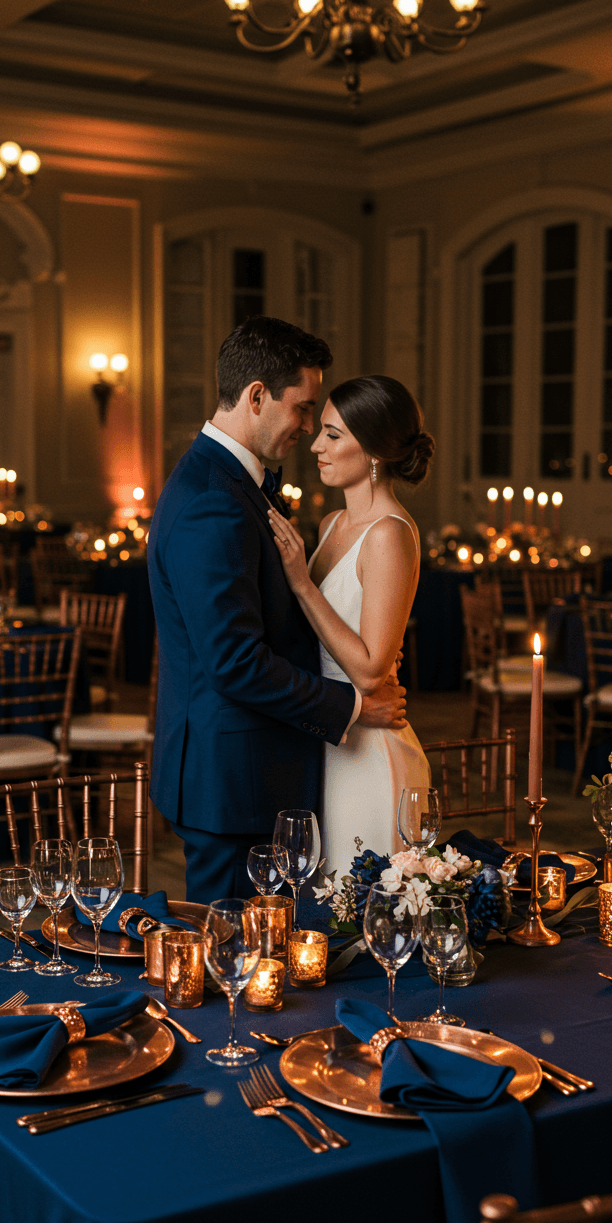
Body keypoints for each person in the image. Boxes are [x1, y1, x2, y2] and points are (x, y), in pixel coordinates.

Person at [147, 317, 407, 905]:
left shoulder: (231, 484)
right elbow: (235, 662)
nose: (310, 428)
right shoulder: (212, 501)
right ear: (258, 396)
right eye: (304, 408)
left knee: (270, 955)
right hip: (234, 780)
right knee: (233, 958)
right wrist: (353, 707)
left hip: (260, 769)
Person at [267, 374, 435, 879]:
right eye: (320, 430)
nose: (316, 445)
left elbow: (368, 671)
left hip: (369, 753)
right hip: (329, 736)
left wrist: (301, 583)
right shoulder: (332, 526)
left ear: (376, 450)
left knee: (364, 912)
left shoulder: (389, 535)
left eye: (333, 434)